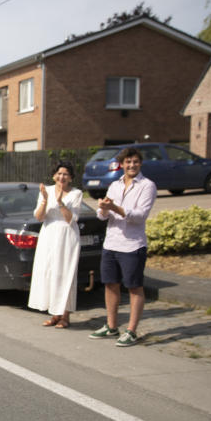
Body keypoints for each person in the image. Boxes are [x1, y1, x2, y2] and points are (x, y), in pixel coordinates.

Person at [90, 147, 157, 347]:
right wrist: (103, 209)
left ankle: (131, 331)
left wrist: (115, 208)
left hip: (132, 245)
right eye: (128, 162)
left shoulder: (147, 186)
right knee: (110, 284)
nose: (131, 165)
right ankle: (111, 326)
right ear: (122, 164)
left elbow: (139, 216)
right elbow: (103, 216)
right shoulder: (114, 185)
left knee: (134, 287)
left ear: (140, 163)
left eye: (135, 161)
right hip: (111, 243)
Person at [28, 162, 83, 328]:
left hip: (67, 235)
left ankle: (65, 316)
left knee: (65, 274)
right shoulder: (47, 191)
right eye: (59, 174)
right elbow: (39, 217)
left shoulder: (76, 193)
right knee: (49, 272)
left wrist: (60, 202)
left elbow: (71, 219)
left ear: (71, 177)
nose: (62, 177)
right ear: (54, 176)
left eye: (66, 174)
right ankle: (54, 313)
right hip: (48, 235)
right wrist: (45, 200)